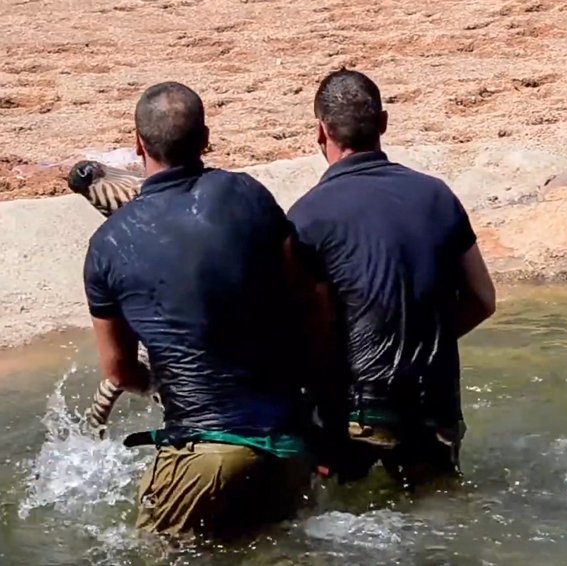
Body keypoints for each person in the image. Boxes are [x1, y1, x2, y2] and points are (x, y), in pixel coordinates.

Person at [82, 82, 333, 537]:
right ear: (206, 138)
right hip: (288, 445)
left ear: (138, 144)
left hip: (202, 458)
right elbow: (306, 298)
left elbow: (119, 372)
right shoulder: (248, 196)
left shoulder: (107, 244)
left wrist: (162, 384)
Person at [287, 69, 497, 487]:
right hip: (432, 404)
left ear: (319, 133)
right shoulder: (437, 195)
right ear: (383, 123)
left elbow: (308, 331)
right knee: (436, 513)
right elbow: (482, 299)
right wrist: (425, 338)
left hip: (358, 410)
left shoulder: (306, 216)